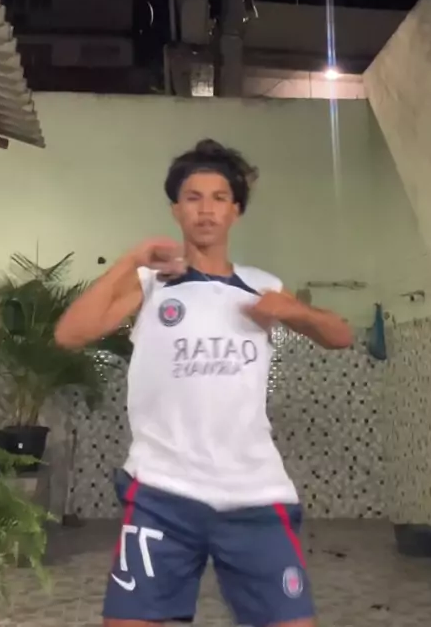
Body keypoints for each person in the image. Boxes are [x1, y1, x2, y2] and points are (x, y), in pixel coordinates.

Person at [56, 139, 352, 627]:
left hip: (254, 493)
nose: (206, 209)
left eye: (219, 198)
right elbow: (70, 335)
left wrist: (294, 311)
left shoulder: (263, 285)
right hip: (161, 493)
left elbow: (340, 336)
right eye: (193, 198)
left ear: (236, 210)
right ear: (176, 209)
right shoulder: (151, 283)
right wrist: (131, 260)